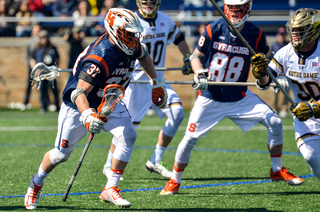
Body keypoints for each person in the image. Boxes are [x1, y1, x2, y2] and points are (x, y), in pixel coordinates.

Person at [24, 8, 167, 209]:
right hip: (79, 105)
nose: (134, 38)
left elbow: (144, 54)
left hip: (109, 99)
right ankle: (36, 183)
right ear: (115, 30)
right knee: (61, 154)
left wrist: (156, 81)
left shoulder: (131, 44)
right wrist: (88, 115)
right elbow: (78, 93)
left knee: (128, 136)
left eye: (135, 33)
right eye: (129, 33)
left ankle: (110, 188)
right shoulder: (100, 55)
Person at [160, 0, 304, 195]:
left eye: (239, 9)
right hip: (211, 96)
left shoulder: (255, 33)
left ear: (248, 9)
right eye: (232, 9)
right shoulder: (215, 28)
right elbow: (195, 57)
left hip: (239, 97)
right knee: (189, 138)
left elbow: (272, 59)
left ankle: (276, 169)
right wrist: (200, 73)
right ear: (225, 8)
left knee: (275, 122)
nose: (235, 13)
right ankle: (174, 180)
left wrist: (279, 75)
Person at [102, 0, 192, 180]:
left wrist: (187, 57)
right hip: (137, 84)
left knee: (177, 113)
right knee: (127, 129)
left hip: (157, 80)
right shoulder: (131, 22)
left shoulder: (165, 20)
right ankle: (108, 164)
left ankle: (155, 160)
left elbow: (179, 38)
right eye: (145, 2)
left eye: (152, 1)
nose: (149, 5)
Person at [267, 8, 320, 181]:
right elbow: (264, 82)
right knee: (312, 157)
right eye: (294, 30)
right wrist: (260, 71)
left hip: (311, 110)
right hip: (307, 120)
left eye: (301, 30)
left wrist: (313, 107)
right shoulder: (285, 52)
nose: (295, 34)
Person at [29, 29, 60, 113]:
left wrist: (56, 69)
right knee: (42, 90)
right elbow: (32, 59)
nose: (44, 40)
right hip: (41, 73)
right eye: (42, 38)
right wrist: (35, 70)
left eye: (46, 38)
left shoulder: (52, 48)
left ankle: (57, 106)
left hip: (51, 72)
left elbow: (57, 59)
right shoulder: (37, 48)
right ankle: (43, 106)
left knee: (54, 89)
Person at [271, 27, 290, 118]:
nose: (281, 37)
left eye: (283, 35)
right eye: (280, 35)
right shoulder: (274, 45)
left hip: (286, 72)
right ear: (277, 35)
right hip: (277, 72)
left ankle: (284, 108)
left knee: (286, 90)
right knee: (275, 91)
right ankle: (275, 108)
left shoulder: (289, 45)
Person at [22, 24, 41, 111]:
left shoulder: (42, 40)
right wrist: (34, 67)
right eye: (35, 29)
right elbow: (28, 56)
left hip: (41, 67)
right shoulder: (30, 42)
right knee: (29, 84)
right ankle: (25, 103)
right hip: (32, 67)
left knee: (43, 85)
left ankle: (46, 103)